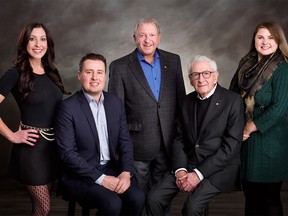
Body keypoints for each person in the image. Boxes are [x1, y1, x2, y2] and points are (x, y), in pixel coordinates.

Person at [147, 55, 245, 215]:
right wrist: (180, 170)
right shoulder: (186, 101)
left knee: (192, 207)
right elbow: (178, 139)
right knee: (154, 197)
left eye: (206, 73)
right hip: (189, 163)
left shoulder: (232, 101)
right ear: (190, 79)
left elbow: (231, 147)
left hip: (219, 168)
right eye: (195, 75)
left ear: (215, 76)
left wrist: (198, 175)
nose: (201, 79)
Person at [55, 53, 145, 215]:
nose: (94, 77)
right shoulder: (67, 108)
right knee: (112, 204)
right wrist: (101, 179)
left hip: (110, 169)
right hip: (79, 175)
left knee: (137, 197)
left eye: (99, 72)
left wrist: (125, 172)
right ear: (79, 75)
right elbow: (67, 154)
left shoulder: (115, 103)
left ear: (105, 76)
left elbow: (125, 142)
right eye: (89, 72)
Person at [108, 17, 186, 197]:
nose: (147, 40)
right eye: (142, 35)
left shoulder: (173, 61)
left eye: (151, 35)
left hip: (168, 142)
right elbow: (115, 113)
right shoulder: (120, 67)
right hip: (137, 145)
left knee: (160, 199)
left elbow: (181, 101)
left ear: (159, 37)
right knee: (139, 197)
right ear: (134, 38)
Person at [0, 23, 69, 215]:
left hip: (53, 149)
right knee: (43, 207)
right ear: (24, 43)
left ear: (48, 43)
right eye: (32, 38)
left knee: (39, 208)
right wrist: (12, 136)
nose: (38, 44)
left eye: (43, 39)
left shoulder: (52, 72)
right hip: (31, 150)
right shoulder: (15, 73)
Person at [229, 21, 288, 216]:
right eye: (260, 37)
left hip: (269, 141)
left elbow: (279, 108)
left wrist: (249, 128)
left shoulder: (282, 69)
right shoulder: (246, 65)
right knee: (251, 197)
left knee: (269, 197)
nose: (265, 42)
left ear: (279, 41)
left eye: (271, 38)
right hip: (246, 142)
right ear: (254, 39)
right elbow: (232, 96)